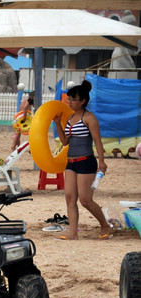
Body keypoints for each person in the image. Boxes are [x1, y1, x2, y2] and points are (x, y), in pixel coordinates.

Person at [53, 81, 111, 240]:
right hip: (71, 162)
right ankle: (73, 233)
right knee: (70, 198)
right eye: (69, 99)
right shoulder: (70, 117)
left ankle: (105, 225)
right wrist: (58, 124)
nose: (69, 102)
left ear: (83, 101)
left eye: (73, 99)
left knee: (85, 200)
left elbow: (98, 141)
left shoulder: (90, 118)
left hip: (86, 161)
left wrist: (102, 162)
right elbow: (65, 141)